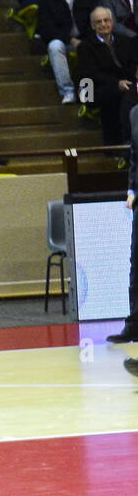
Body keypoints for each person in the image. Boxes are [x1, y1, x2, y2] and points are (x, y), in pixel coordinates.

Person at [37, 0, 97, 104]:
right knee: (54, 46)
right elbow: (46, 29)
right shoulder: (47, 1)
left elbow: (95, 22)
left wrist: (84, 41)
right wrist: (70, 40)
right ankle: (67, 91)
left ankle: (87, 97)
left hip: (85, 40)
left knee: (91, 46)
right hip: (63, 41)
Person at [77, 6, 134, 145]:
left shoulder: (125, 41)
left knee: (130, 92)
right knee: (119, 95)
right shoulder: (85, 47)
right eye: (98, 22)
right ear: (92, 25)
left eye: (106, 20)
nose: (103, 24)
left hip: (125, 84)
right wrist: (117, 83)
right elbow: (89, 75)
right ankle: (117, 144)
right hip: (92, 89)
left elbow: (132, 66)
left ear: (112, 22)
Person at [110, 110, 138, 344]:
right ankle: (134, 325)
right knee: (136, 265)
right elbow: (135, 156)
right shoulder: (135, 114)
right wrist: (131, 190)